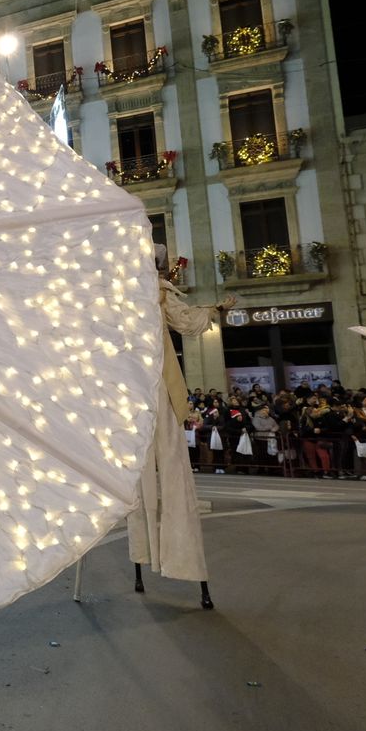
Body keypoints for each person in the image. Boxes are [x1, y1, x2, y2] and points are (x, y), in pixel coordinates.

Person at [126, 245, 231, 605]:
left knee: (164, 471)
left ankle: (174, 560)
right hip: (139, 387)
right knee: (155, 473)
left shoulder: (150, 294)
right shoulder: (133, 293)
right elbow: (188, 321)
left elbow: (186, 320)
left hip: (148, 388)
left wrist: (213, 310)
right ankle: (152, 557)